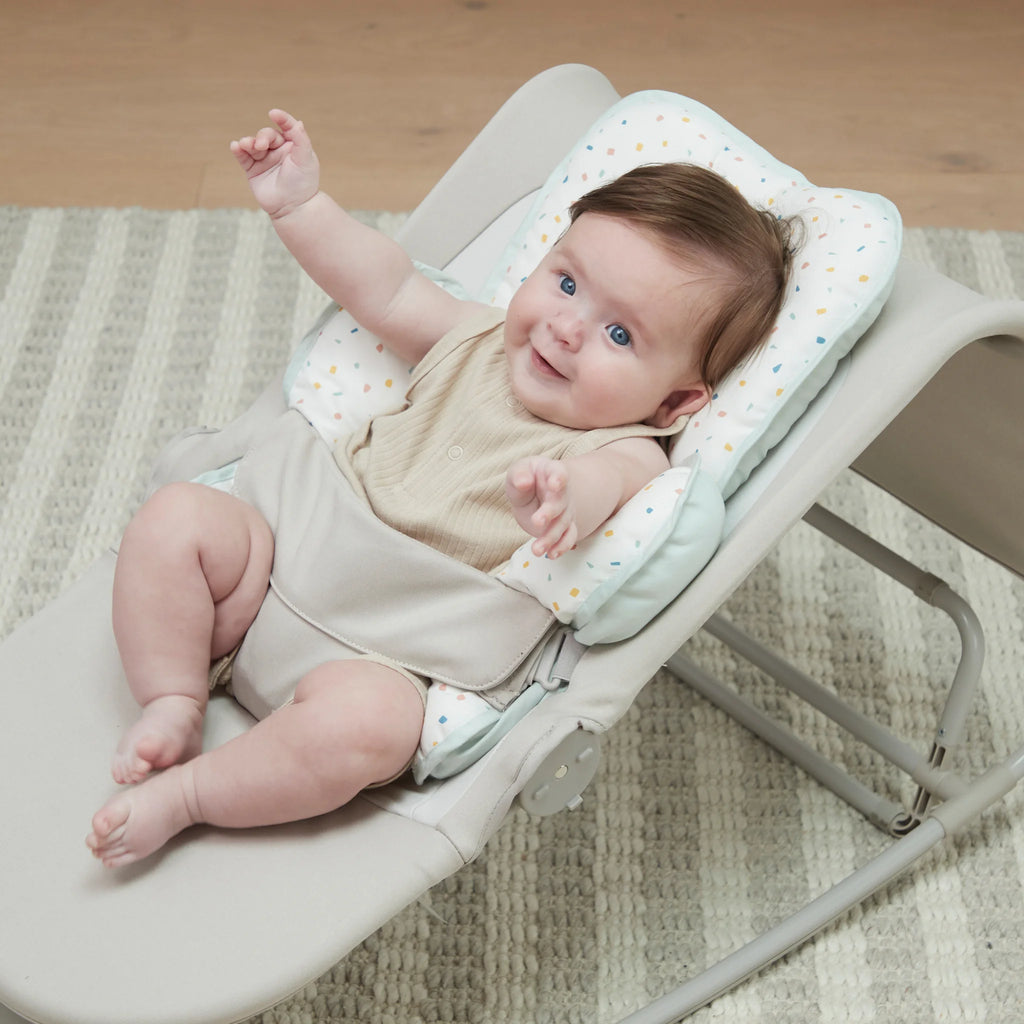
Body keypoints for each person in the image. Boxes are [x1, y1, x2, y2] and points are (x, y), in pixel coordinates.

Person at [86, 109, 796, 867]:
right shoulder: (473, 334)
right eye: (565, 283)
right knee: (177, 519)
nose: (565, 328)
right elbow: (382, 284)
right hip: (273, 561)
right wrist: (299, 205)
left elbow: (611, 487)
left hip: (390, 648)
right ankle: (173, 699)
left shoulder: (627, 446)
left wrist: (565, 497)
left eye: (620, 335)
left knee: (369, 730)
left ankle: (190, 797)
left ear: (677, 402)